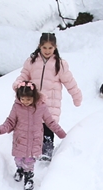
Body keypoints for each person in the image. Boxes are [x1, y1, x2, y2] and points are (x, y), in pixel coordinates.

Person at [13, 32, 82, 161]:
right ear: (39, 46)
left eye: (50, 48)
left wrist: (76, 96)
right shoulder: (32, 62)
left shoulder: (59, 64)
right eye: (44, 47)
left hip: (51, 102)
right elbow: (24, 75)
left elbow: (70, 82)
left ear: (55, 47)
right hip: (34, 100)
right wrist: (18, 84)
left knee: (48, 126)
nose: (47, 51)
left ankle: (47, 151)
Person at [0, 82, 65, 190]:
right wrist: (1, 129)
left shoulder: (41, 107)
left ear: (34, 96)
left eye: (28, 99)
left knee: (29, 161)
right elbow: (10, 121)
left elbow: (50, 121)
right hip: (20, 139)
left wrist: (60, 133)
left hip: (34, 140)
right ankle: (20, 169)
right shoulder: (17, 107)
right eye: (23, 99)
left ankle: (29, 177)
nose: (25, 102)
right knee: (18, 159)